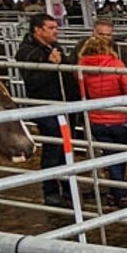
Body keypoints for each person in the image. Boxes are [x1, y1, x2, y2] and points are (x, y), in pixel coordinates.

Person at [18, 13, 80, 207]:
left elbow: (68, 70)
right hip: (45, 107)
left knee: (66, 148)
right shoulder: (27, 52)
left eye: (56, 27)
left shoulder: (55, 48)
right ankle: (50, 190)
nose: (56, 31)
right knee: (53, 148)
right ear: (38, 30)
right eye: (51, 28)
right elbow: (33, 82)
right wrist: (50, 66)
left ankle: (68, 187)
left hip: (64, 105)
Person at [78, 35, 127, 209]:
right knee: (120, 156)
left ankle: (113, 192)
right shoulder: (116, 65)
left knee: (109, 156)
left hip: (97, 119)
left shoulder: (81, 67)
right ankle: (120, 194)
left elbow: (82, 92)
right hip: (120, 118)